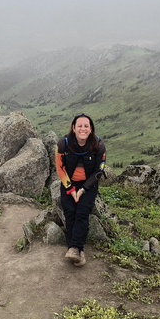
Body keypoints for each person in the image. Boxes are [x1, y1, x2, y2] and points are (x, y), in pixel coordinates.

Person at [55, 113, 106, 267]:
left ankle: (74, 248)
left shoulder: (99, 145)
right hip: (68, 184)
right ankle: (77, 250)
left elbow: (98, 171)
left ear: (91, 129)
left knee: (82, 212)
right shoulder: (63, 144)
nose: (83, 129)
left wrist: (83, 190)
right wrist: (70, 189)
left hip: (88, 185)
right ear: (74, 128)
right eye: (80, 126)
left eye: (86, 126)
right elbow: (60, 168)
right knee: (70, 212)